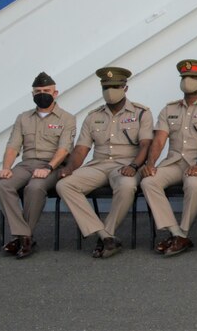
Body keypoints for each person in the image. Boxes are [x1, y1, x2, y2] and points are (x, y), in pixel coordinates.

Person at [56, 67, 153, 259]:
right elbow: (81, 150)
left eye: (115, 86)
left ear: (125, 88)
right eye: (106, 87)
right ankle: (105, 236)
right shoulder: (93, 116)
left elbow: (145, 145)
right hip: (99, 164)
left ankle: (106, 235)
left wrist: (134, 166)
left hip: (126, 164)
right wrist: (69, 168)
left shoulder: (142, 113)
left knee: (126, 186)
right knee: (64, 185)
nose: (110, 91)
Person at [140, 60, 197, 257]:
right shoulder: (169, 109)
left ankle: (183, 231)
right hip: (174, 162)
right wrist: (151, 164)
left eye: (194, 78)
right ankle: (176, 233)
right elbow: (159, 139)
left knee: (194, 184)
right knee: (149, 181)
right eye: (185, 77)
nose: (188, 81)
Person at [0, 72, 75, 259]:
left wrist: (48, 168)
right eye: (37, 91)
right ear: (32, 94)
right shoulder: (23, 118)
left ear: (55, 93)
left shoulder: (67, 118)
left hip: (52, 165)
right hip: (26, 164)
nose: (42, 93)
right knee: (2, 186)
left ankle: (22, 238)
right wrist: (6, 168)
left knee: (35, 187)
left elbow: (63, 149)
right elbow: (13, 147)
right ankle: (25, 236)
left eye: (46, 90)